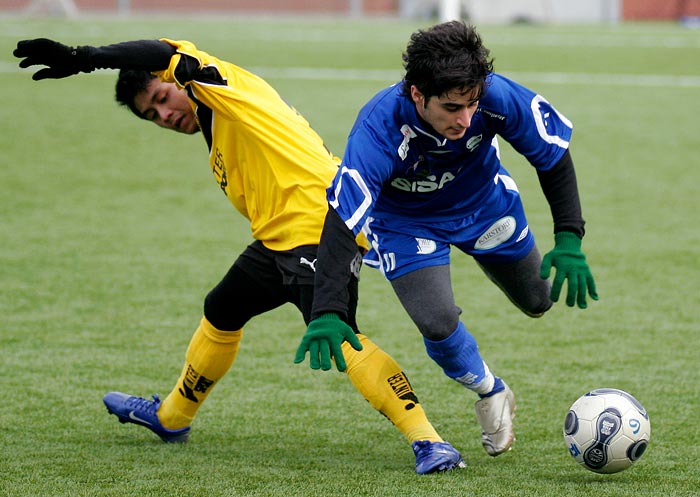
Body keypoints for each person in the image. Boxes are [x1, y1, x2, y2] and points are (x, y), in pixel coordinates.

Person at [13, 37, 466, 474]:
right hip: (278, 240)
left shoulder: (218, 84)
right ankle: (171, 417)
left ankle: (429, 440)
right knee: (222, 309)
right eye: (151, 114)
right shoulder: (216, 124)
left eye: (160, 96)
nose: (164, 114)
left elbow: (164, 51)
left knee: (339, 333)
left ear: (171, 80)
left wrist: (84, 58)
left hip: (320, 229)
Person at [294, 21, 598, 457]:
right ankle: (491, 391)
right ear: (418, 94)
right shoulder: (377, 130)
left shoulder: (493, 95)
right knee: (436, 320)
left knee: (538, 299)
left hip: (484, 205)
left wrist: (569, 238)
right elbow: (344, 218)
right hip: (405, 224)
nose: (466, 118)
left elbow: (551, 154)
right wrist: (327, 309)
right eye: (452, 107)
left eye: (472, 104)